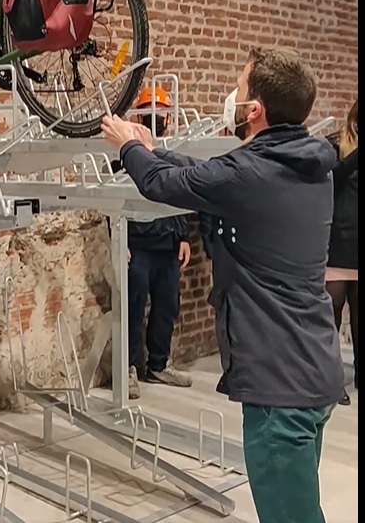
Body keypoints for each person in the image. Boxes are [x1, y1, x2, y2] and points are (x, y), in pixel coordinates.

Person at [101, 48, 342, 523]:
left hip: (279, 385)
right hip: (312, 371)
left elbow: (162, 186)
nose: (231, 96)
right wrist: (153, 148)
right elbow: (207, 175)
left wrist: (128, 145)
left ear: (255, 110)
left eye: (240, 87)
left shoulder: (251, 173)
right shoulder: (305, 165)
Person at [107, 86, 193, 398]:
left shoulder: (170, 150)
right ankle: (128, 368)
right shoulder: (124, 154)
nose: (156, 117)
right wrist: (118, 240)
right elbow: (109, 195)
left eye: (161, 112)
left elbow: (179, 193)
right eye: (150, 111)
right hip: (137, 244)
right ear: (140, 115)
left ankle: (158, 365)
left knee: (167, 306)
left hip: (167, 244)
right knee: (131, 309)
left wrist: (183, 236)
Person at [326, 98, 358, 406]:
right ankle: (332, 380)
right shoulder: (337, 142)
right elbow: (330, 178)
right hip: (339, 239)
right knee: (331, 316)